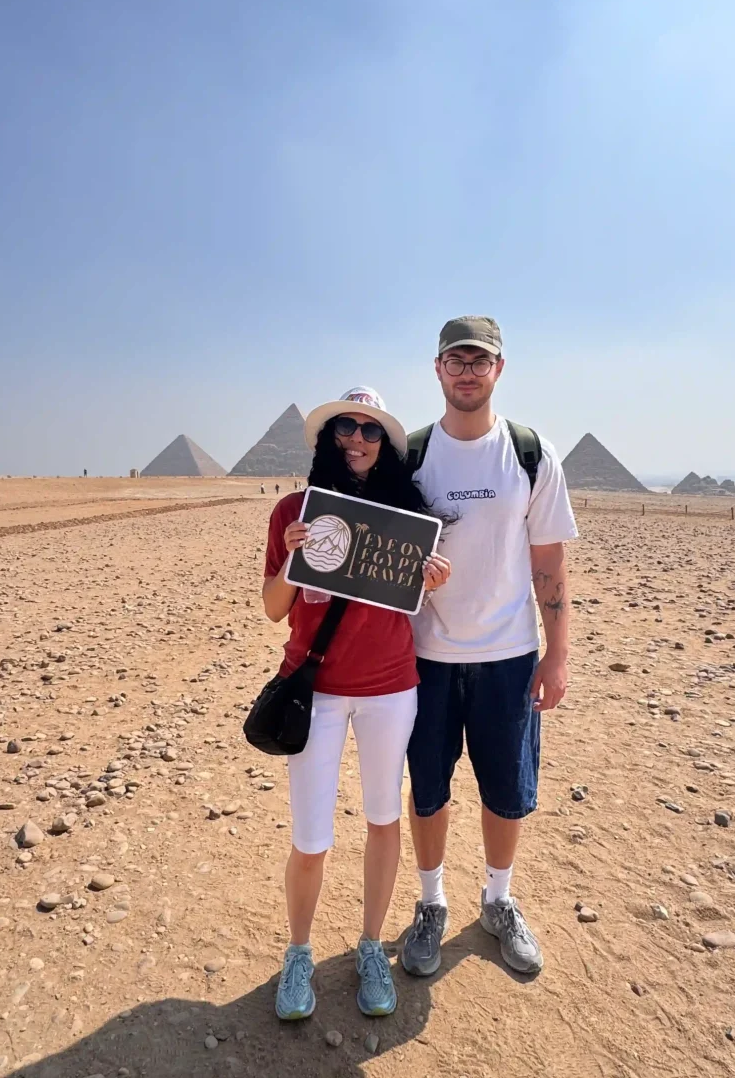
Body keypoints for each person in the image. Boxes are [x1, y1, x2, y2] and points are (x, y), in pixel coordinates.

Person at [262, 387, 451, 1021]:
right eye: (346, 426)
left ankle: (371, 945)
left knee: (380, 819)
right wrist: (292, 556)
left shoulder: (406, 514)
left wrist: (430, 580)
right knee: (311, 835)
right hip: (314, 691)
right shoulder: (295, 510)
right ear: (327, 435)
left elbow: (411, 607)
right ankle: (298, 953)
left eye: (371, 432)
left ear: (386, 446)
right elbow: (272, 609)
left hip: (390, 689)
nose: (357, 440)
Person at [400, 316, 578, 978]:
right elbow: (382, 553)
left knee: (507, 790)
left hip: (507, 658)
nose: (468, 370)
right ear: (438, 368)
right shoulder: (411, 457)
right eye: (456, 360)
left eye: (481, 360)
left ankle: (498, 901)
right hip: (425, 659)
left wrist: (556, 654)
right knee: (428, 790)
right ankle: (431, 903)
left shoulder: (532, 454)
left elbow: (549, 564)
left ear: (499, 369)